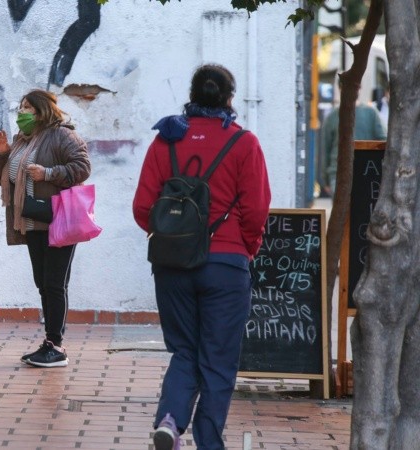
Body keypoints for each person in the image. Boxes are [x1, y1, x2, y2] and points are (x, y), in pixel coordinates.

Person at [132, 64, 271, 450]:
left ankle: (171, 422)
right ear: (230, 98)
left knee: (184, 350)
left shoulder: (165, 141)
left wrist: (171, 237)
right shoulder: (244, 143)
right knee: (218, 359)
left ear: (192, 95)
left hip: (172, 265)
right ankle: (209, 442)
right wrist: (246, 249)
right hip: (225, 266)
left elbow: (144, 208)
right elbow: (258, 210)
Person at [0, 89, 90, 368]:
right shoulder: (22, 140)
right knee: (43, 283)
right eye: (20, 107)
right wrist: (1, 154)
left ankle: (56, 346)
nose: (21, 113)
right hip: (32, 221)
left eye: (28, 108)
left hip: (58, 220)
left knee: (55, 284)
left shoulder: (62, 135)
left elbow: (82, 168)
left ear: (43, 111)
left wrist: (48, 173)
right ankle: (49, 342)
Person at [320, 86, 386, 196]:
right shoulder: (332, 117)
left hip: (366, 172)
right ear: (340, 89)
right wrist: (325, 179)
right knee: (342, 210)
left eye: (357, 86)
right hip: (337, 173)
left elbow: (384, 141)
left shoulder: (371, 113)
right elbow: (325, 149)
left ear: (360, 88)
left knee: (362, 210)